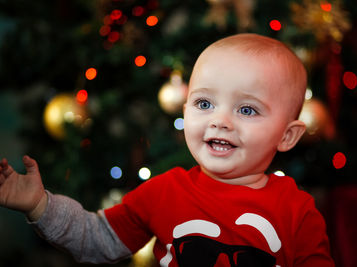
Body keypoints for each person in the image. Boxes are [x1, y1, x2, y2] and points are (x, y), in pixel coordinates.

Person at [0, 33, 334, 267]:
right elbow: (97, 238)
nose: (220, 121)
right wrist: (40, 206)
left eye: (247, 110)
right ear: (185, 110)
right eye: (204, 103)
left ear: (287, 136)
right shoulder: (164, 191)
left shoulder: (297, 211)